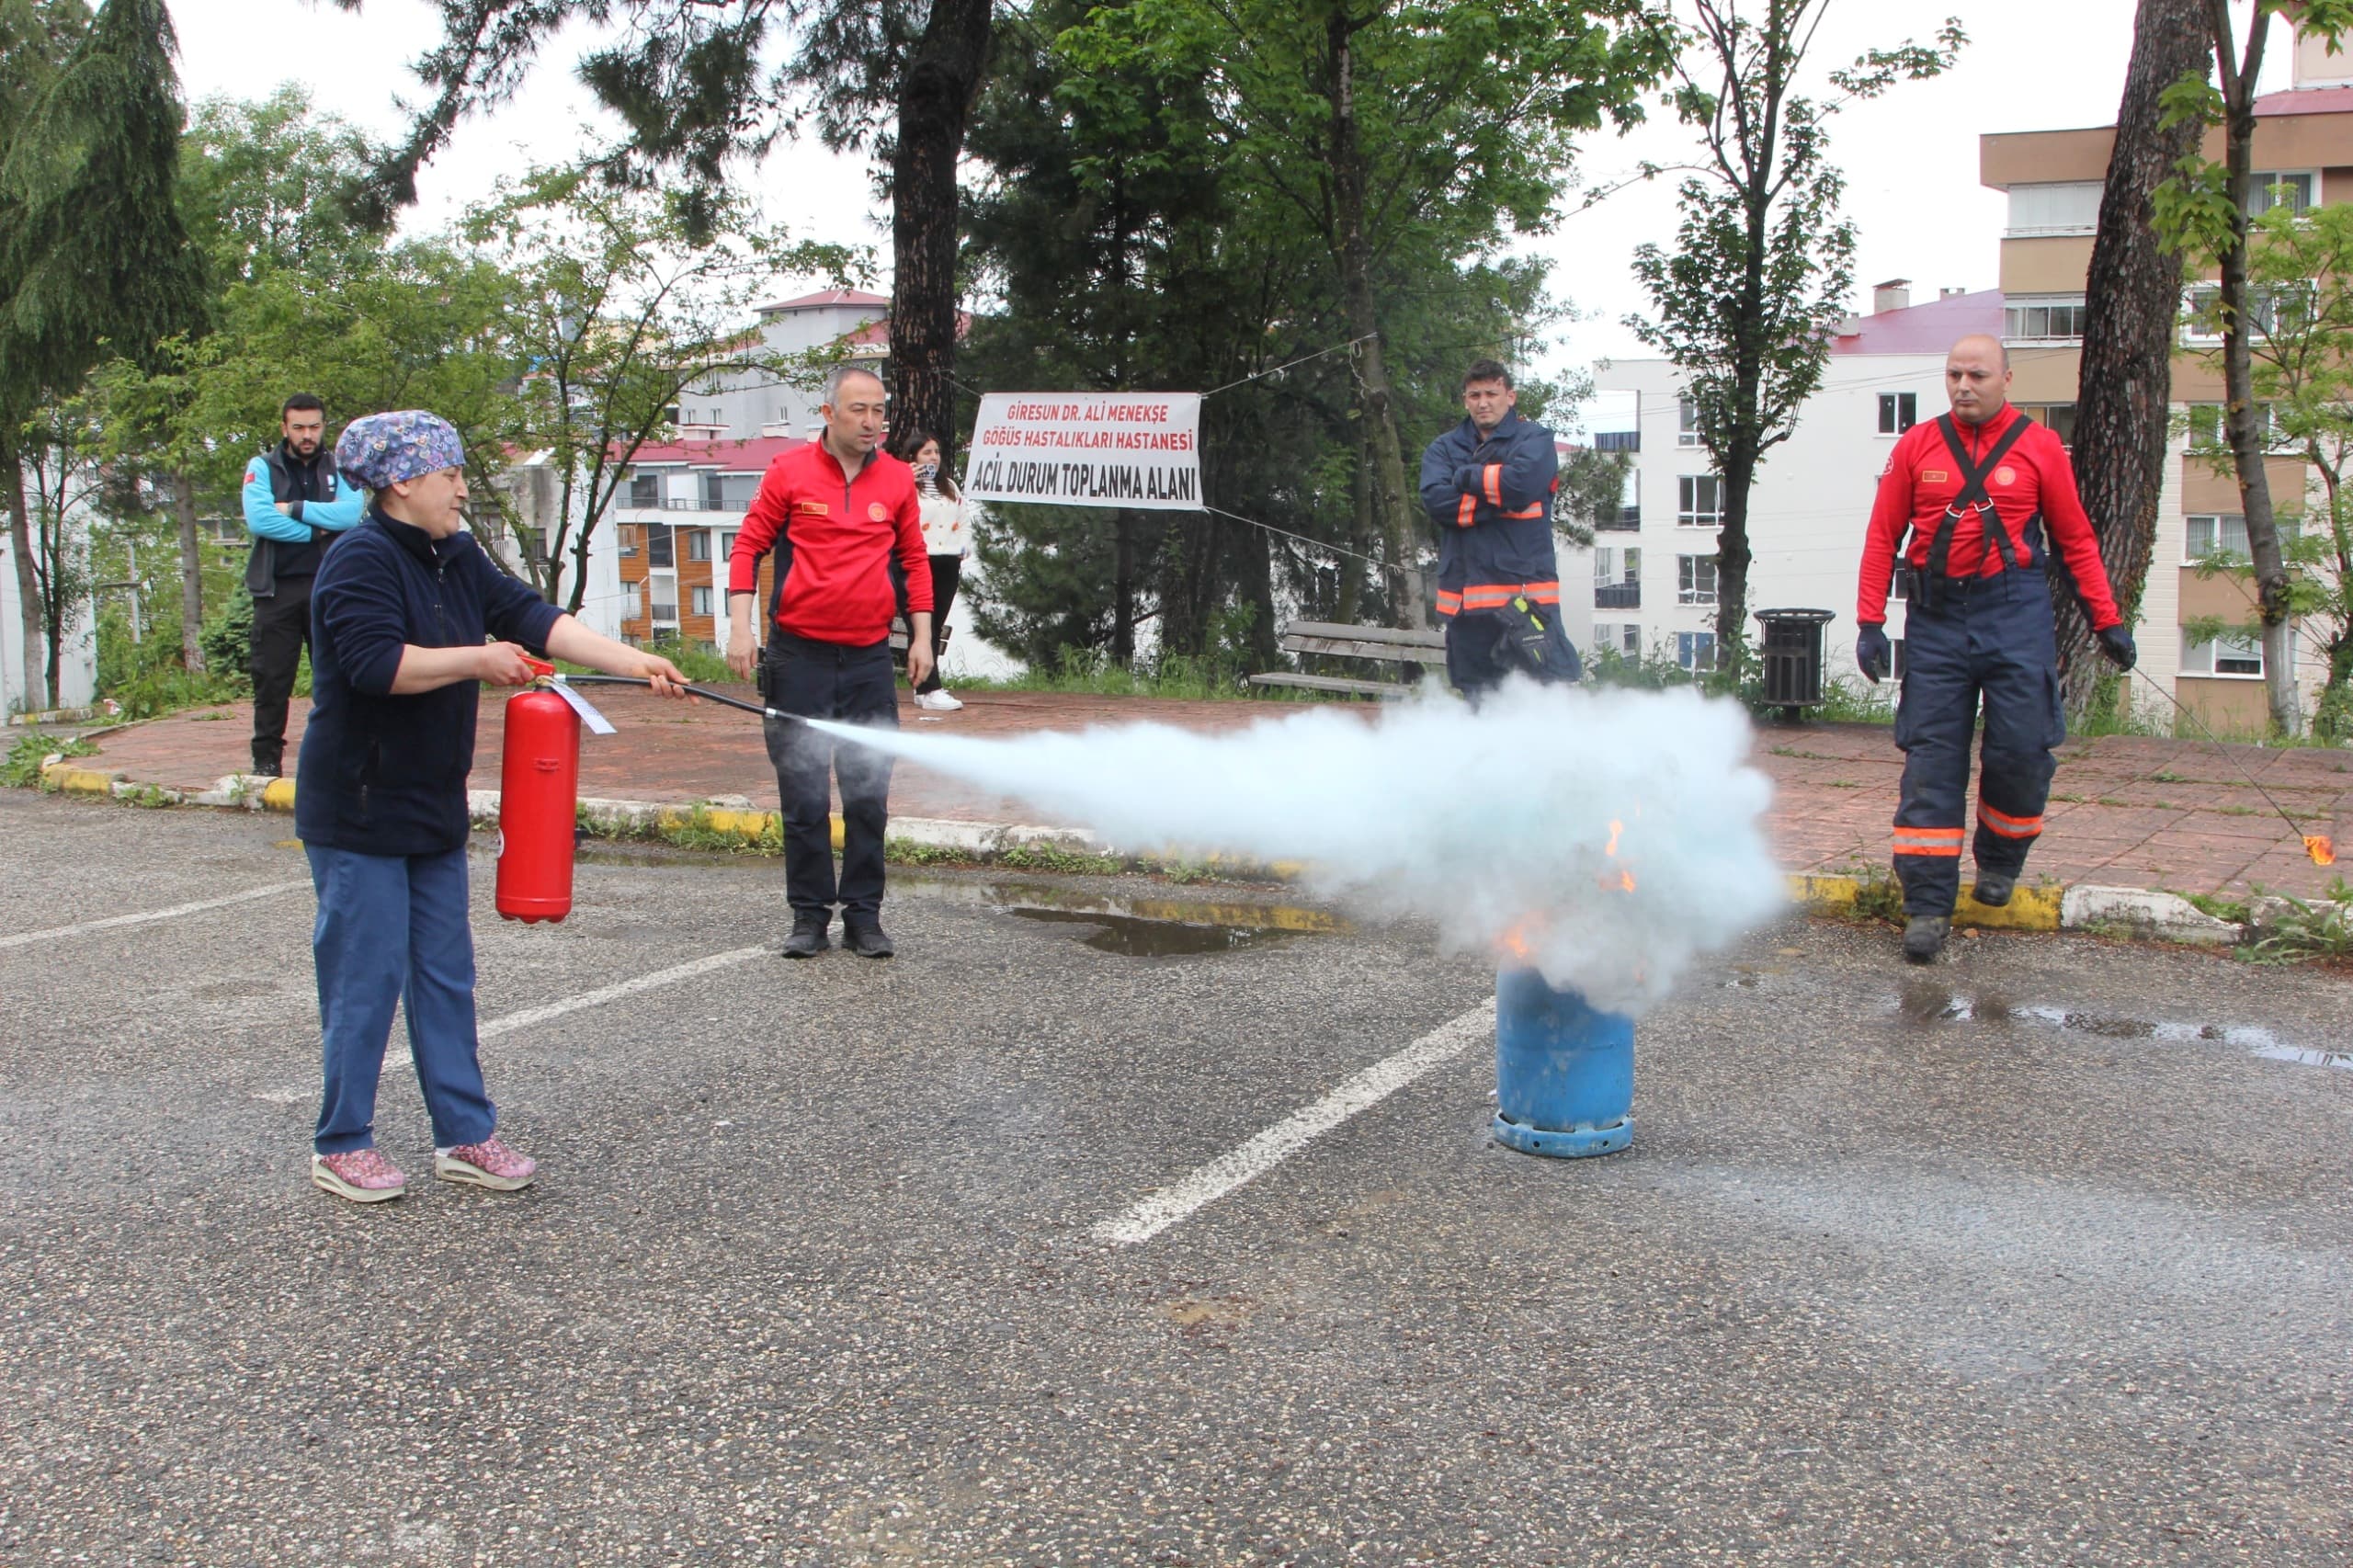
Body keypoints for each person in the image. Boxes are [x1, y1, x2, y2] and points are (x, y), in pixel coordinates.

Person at [301, 410, 690, 1204]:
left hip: (431, 803)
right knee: (364, 979)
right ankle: (342, 1142)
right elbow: (378, 665)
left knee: (446, 975)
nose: (461, 489)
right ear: (403, 482)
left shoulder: (457, 554)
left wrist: (635, 659)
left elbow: (532, 617)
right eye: (450, 475)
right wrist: (479, 660)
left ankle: (464, 1134)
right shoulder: (358, 561)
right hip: (359, 806)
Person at [1854, 334, 2136, 964]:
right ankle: (1927, 906)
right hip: (1937, 620)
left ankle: (2002, 861)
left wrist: (2106, 621)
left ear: (2007, 380)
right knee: (1931, 762)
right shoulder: (1916, 447)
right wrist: (1870, 622)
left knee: (2022, 748)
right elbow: (1881, 538)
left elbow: (2076, 539)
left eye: (1977, 374)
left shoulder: (2039, 449)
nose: (1963, 386)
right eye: (1954, 374)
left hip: (2014, 611)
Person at [725, 365, 933, 960]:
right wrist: (741, 630)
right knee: (805, 795)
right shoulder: (788, 472)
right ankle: (809, 917)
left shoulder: (896, 479)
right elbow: (748, 547)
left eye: (879, 411)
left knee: (868, 794)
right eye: (859, 410)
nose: (872, 422)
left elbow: (916, 563)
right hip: (798, 659)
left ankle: (864, 916)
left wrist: (921, 640)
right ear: (829, 414)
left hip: (868, 659)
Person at [1418, 358, 1582, 699]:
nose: (1483, 402)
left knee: (1541, 703)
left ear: (1511, 396)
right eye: (1475, 394)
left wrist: (1466, 478)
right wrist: (1500, 498)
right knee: (1478, 707)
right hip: (1467, 610)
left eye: (1492, 393)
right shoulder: (1443, 448)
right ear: (1465, 399)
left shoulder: (1535, 440)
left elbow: (1521, 485)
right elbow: (1437, 502)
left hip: (1526, 607)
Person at [242, 392, 366, 776]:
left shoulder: (342, 467)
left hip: (330, 586)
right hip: (276, 590)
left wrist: (293, 509)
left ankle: (342, 761)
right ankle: (266, 762)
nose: (307, 435)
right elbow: (260, 521)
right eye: (299, 427)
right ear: (284, 428)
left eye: (314, 426)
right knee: (271, 681)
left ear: (324, 426)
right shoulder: (262, 467)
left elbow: (351, 514)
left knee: (338, 679)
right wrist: (317, 531)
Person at [893, 428, 971, 712]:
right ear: (912, 456)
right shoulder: (903, 486)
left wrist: (963, 546)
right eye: (926, 452)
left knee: (935, 623)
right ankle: (929, 688)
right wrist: (904, 480)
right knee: (919, 624)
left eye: (936, 452)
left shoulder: (949, 486)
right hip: (917, 560)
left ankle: (923, 684)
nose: (933, 458)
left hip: (948, 561)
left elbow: (963, 519)